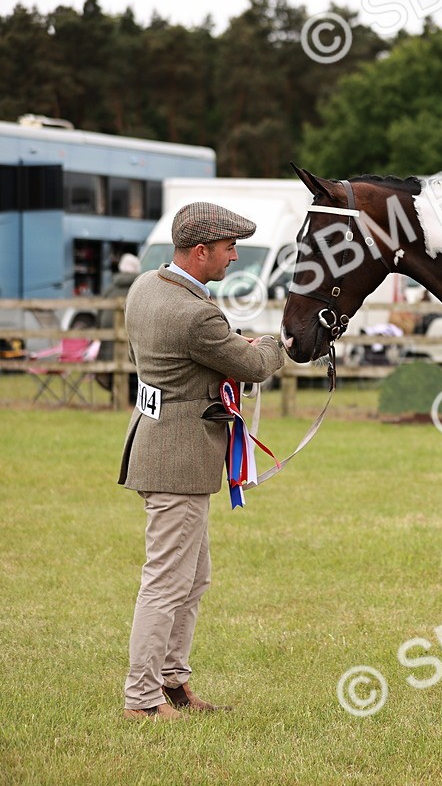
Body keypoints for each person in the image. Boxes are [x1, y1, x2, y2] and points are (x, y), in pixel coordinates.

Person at [118, 202, 285, 722]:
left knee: (191, 581)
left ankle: (173, 683)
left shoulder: (146, 287)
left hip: (159, 445)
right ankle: (142, 700)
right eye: (229, 248)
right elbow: (255, 366)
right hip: (178, 460)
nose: (234, 257)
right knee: (168, 583)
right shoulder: (196, 314)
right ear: (200, 252)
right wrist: (281, 341)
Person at [96, 253, 142, 398]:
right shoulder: (140, 290)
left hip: (108, 348)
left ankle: (116, 398)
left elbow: (99, 317)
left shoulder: (109, 290)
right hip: (134, 350)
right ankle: (131, 399)